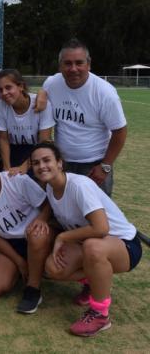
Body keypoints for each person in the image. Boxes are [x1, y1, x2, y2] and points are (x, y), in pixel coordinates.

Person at [30, 141, 142, 337]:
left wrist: (62, 237)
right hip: (93, 244)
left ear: (60, 163)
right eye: (36, 163)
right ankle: (95, 282)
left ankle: (100, 314)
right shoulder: (50, 187)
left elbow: (101, 228)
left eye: (47, 160)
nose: (41, 166)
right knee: (53, 268)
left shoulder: (79, 185)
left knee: (93, 247)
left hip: (125, 245)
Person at [0, 148, 52, 314]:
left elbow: (47, 204)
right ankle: (26, 266)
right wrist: (19, 262)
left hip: (35, 237)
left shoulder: (16, 180)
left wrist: (41, 220)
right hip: (11, 243)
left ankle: (33, 289)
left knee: (35, 235)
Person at [42, 38, 127, 196]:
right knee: (62, 213)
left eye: (79, 63)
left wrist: (105, 166)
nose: (73, 68)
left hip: (93, 166)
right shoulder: (51, 84)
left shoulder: (104, 93)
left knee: (96, 216)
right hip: (62, 164)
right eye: (67, 63)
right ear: (60, 65)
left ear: (88, 64)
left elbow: (120, 131)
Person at [0, 69, 54, 176]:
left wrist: (24, 167)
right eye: (0, 90)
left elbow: (44, 142)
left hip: (37, 150)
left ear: (20, 86)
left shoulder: (41, 104)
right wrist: (7, 168)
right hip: (14, 151)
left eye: (8, 87)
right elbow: (3, 139)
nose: (4, 93)